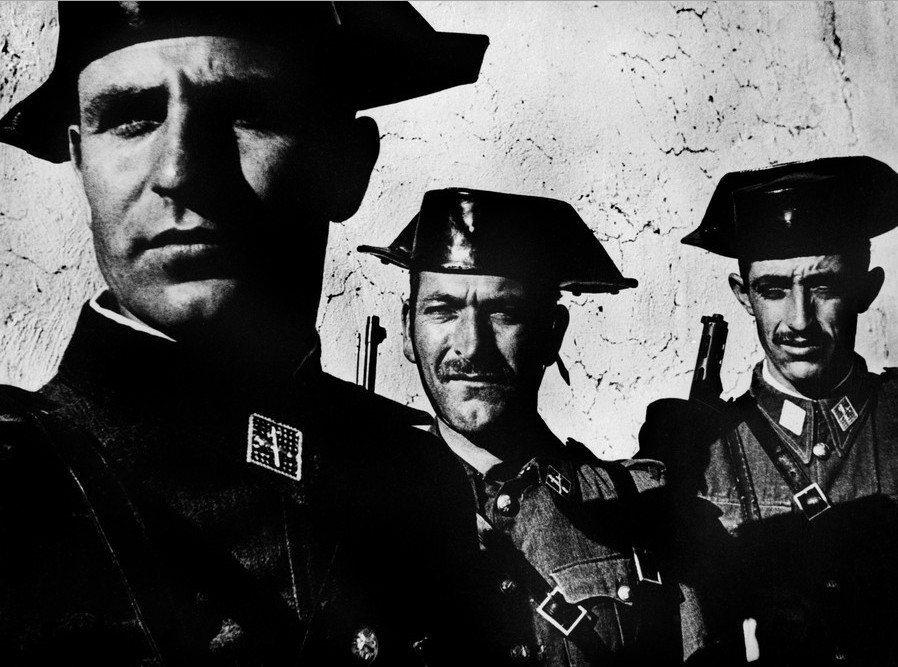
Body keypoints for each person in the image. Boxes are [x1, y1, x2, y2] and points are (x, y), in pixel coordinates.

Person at [0, 3, 488, 664]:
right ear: (79, 158)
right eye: (131, 118)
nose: (180, 172)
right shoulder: (17, 489)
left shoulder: (417, 484)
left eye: (248, 113)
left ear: (346, 164)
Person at [359, 187, 697, 666]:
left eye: (504, 313)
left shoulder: (637, 510)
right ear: (408, 328)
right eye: (442, 310)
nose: (472, 346)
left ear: (552, 333)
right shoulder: (358, 509)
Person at [641, 156, 898, 666]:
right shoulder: (698, 451)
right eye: (774, 290)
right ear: (743, 296)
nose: (799, 321)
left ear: (866, 289)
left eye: (823, 286)